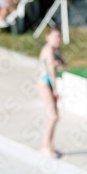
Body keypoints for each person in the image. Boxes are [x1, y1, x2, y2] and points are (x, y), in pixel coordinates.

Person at [38, 27, 66, 158]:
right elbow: (51, 71)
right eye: (55, 37)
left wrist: (58, 62)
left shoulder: (56, 49)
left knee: (55, 116)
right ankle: (45, 146)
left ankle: (49, 145)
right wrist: (55, 90)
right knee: (53, 116)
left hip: (49, 84)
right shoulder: (49, 49)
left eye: (59, 37)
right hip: (44, 84)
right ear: (47, 37)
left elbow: (63, 64)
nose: (58, 39)